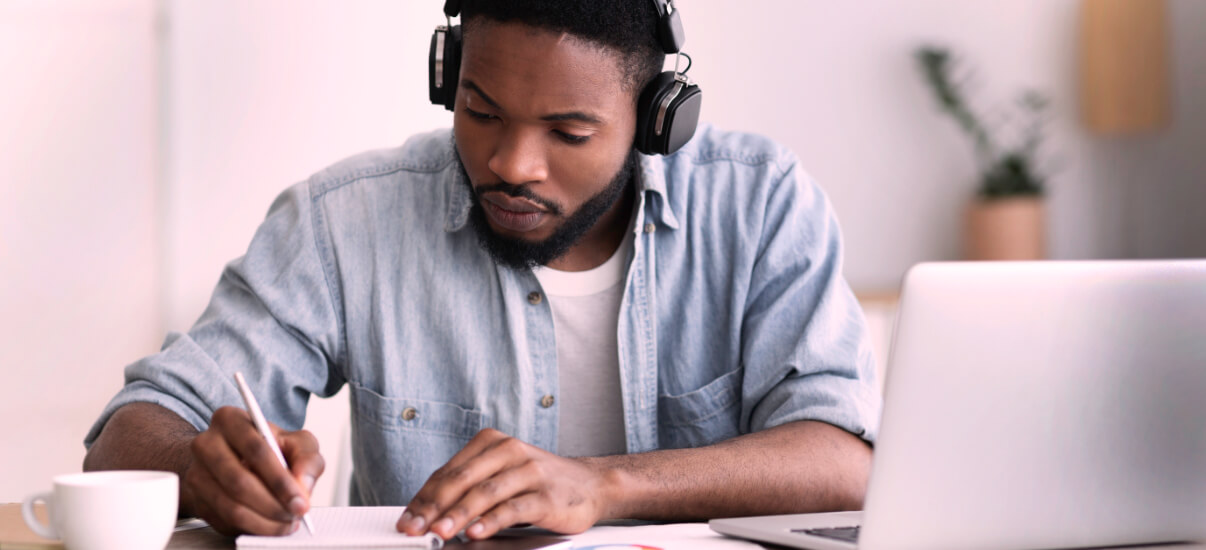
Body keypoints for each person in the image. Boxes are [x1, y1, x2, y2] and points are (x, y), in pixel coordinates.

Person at [82, 0, 880, 541]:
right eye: (481, 111)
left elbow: (843, 464)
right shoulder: (344, 220)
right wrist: (201, 467)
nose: (509, 163)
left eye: (568, 133)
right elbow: (132, 429)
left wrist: (601, 486)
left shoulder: (761, 204)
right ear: (447, 80)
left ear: (656, 118)